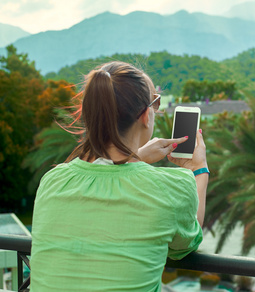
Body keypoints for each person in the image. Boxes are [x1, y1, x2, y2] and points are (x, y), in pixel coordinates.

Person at [30, 61, 208, 291]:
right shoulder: (168, 188)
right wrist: (199, 170)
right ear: (145, 116)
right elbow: (186, 243)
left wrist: (136, 159)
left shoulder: (53, 181)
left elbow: (106, 184)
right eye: (155, 102)